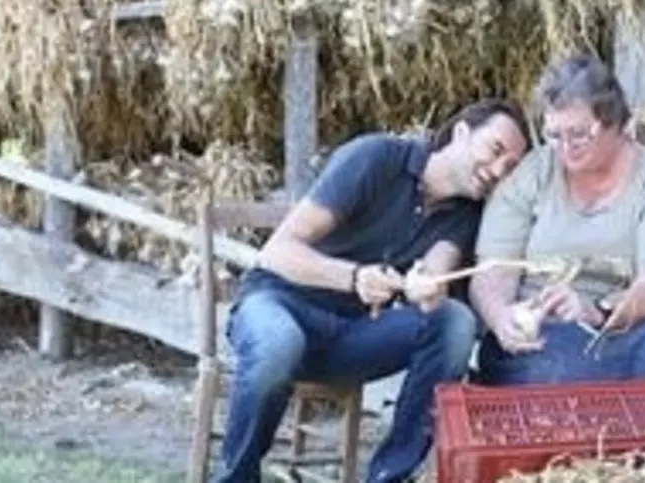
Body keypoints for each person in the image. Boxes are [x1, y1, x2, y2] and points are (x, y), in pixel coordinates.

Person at [216, 99, 531, 483]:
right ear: (462, 132)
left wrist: (428, 288)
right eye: (495, 150)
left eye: (510, 167)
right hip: (279, 305)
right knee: (280, 341)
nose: (498, 171)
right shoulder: (376, 157)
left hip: (352, 336)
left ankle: (389, 476)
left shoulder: (468, 213)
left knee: (455, 322)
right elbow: (277, 251)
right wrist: (353, 278)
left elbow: (437, 268)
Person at [468, 53, 645, 386]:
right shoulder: (534, 173)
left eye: (578, 134)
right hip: (541, 335)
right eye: (554, 135)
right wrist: (502, 316)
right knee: (549, 371)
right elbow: (493, 270)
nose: (565, 147)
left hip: (618, 330)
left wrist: (598, 311)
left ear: (615, 124)